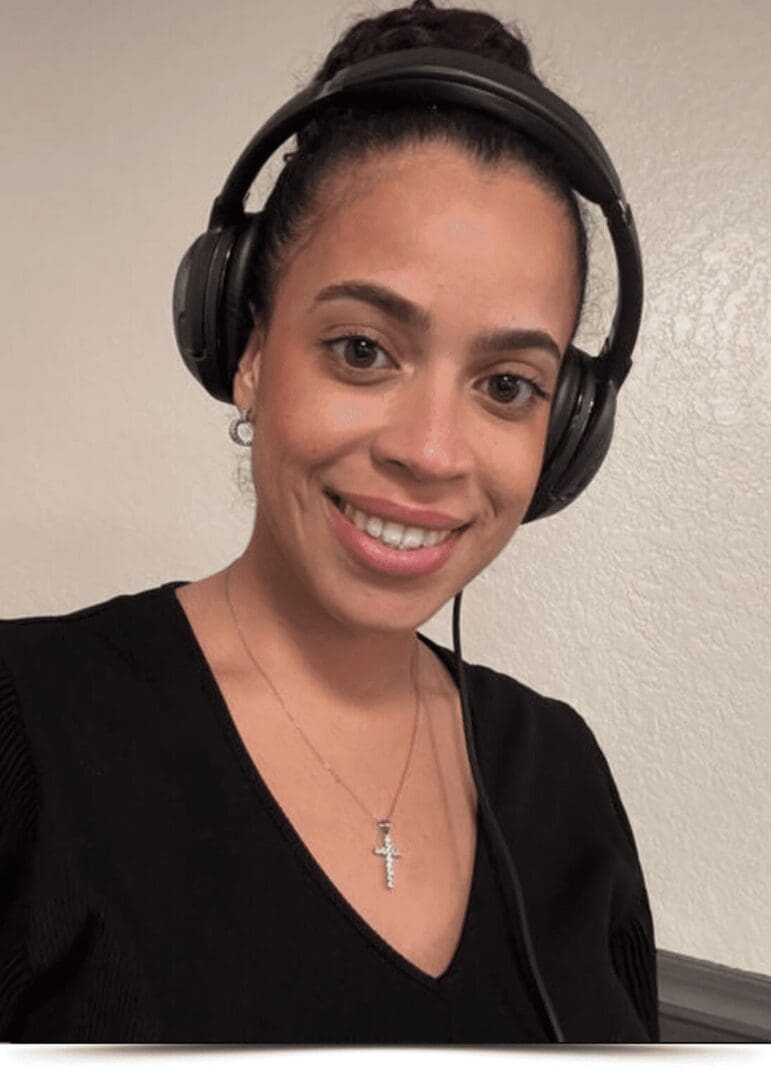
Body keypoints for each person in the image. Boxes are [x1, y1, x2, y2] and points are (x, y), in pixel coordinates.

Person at [0, 0, 659, 1044]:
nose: (431, 451)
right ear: (247, 350)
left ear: (566, 432)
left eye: (506, 384)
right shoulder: (26, 727)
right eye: (363, 351)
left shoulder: (561, 773)